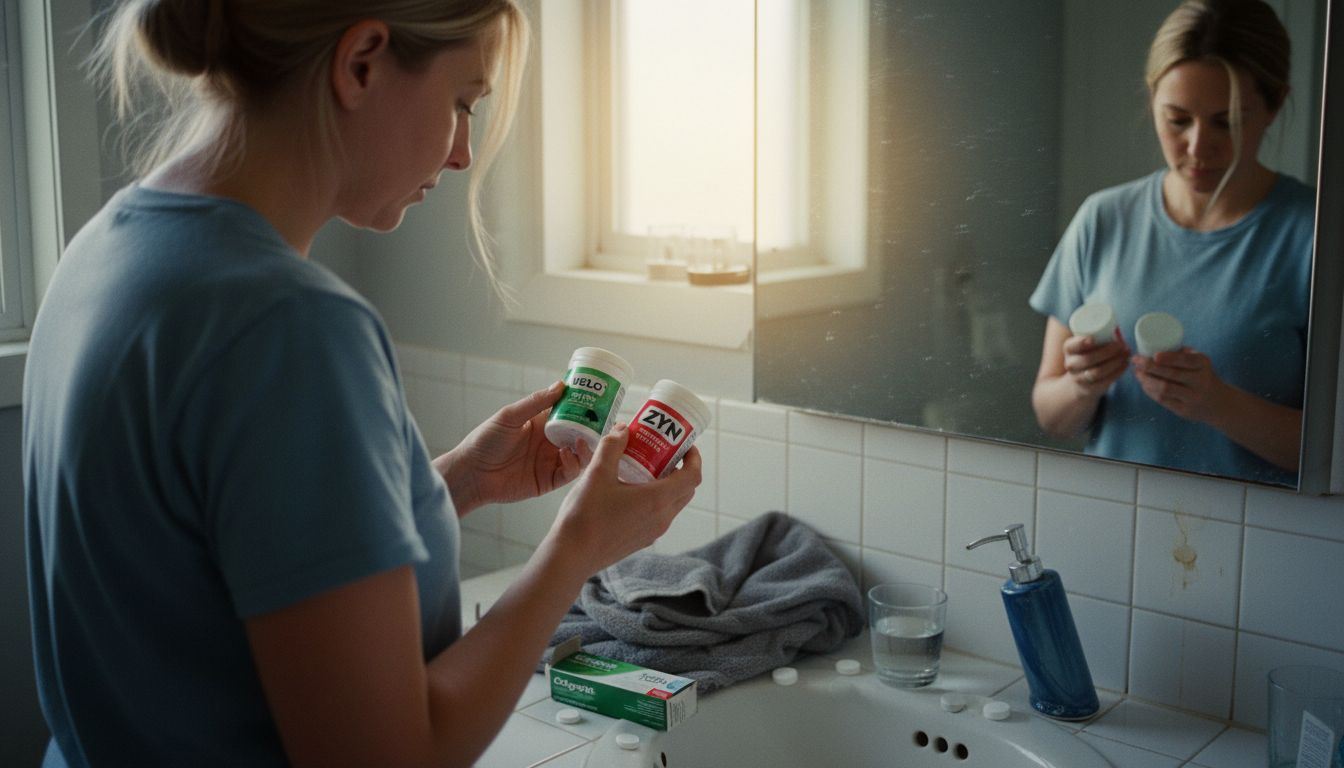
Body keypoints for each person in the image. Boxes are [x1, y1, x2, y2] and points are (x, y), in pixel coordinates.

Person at [22, 2, 701, 767]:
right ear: (362, 63)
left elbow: (216, 566)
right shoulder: (290, 327)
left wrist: (451, 484)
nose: (463, 154)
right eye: (460, 103)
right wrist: (577, 547)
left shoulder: (108, 250)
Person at [1029, 0, 1314, 485]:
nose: (1198, 147)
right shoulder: (1102, 219)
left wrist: (1220, 406)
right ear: (1152, 99)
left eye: (1228, 122)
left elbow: (1333, 453)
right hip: (1118, 528)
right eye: (1178, 119)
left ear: (1275, 105)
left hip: (1261, 546)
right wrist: (1082, 386)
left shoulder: (1316, 237)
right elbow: (1051, 417)